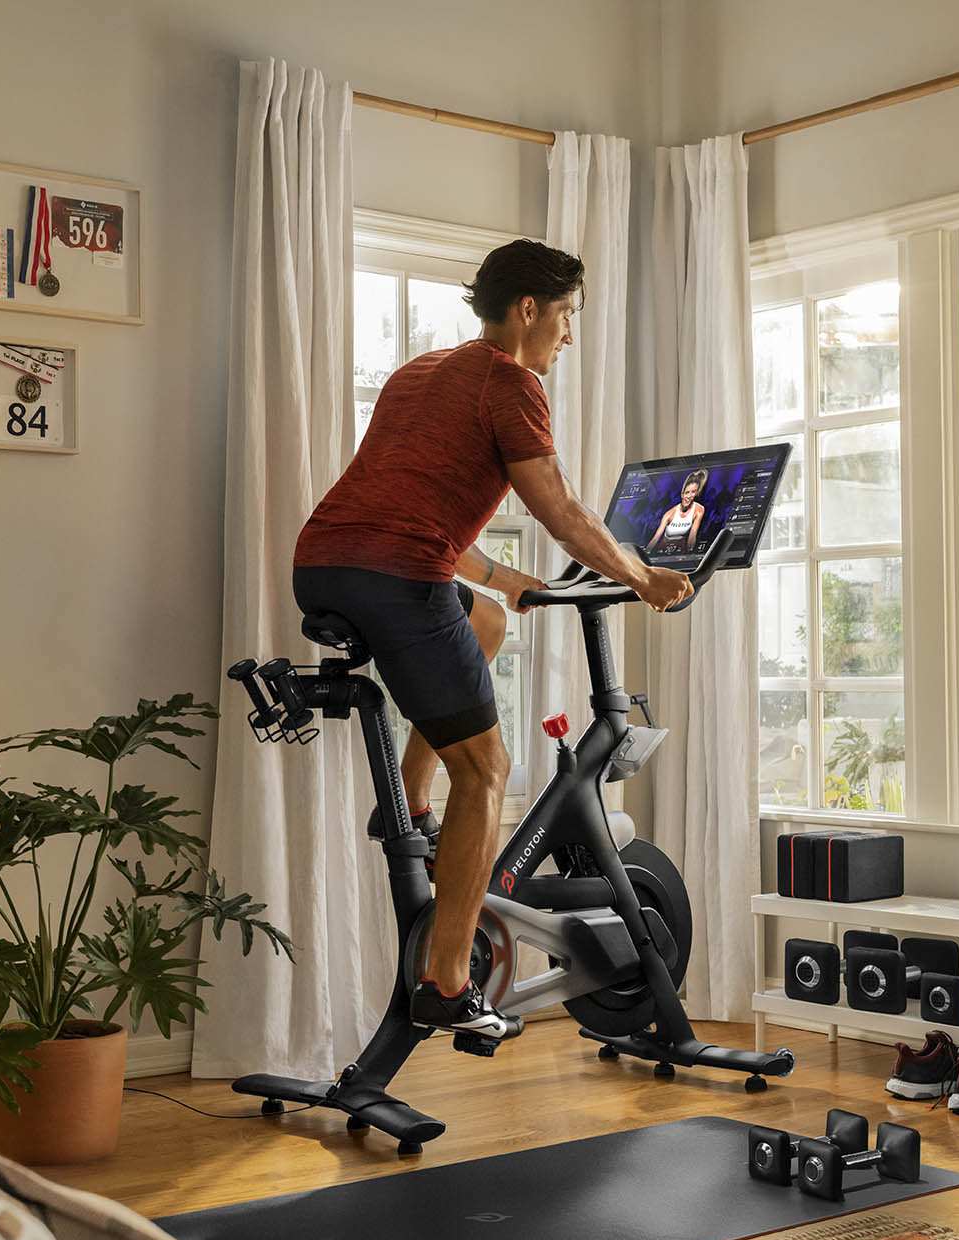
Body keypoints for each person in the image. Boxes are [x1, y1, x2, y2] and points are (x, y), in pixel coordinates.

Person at [291, 239, 693, 1042]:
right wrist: (644, 576)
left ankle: (408, 798)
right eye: (568, 316)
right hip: (398, 579)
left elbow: (399, 503)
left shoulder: (419, 372)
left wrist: (503, 577)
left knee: (485, 621)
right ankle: (446, 981)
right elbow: (566, 511)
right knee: (489, 768)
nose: (569, 338)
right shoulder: (512, 383)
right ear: (531, 309)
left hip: (324, 562)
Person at [648, 468, 708, 554]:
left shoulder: (699, 509)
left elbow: (692, 535)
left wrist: (690, 553)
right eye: (687, 492)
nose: (689, 496)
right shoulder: (669, 514)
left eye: (693, 492)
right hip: (664, 548)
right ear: (682, 494)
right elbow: (655, 538)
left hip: (681, 548)